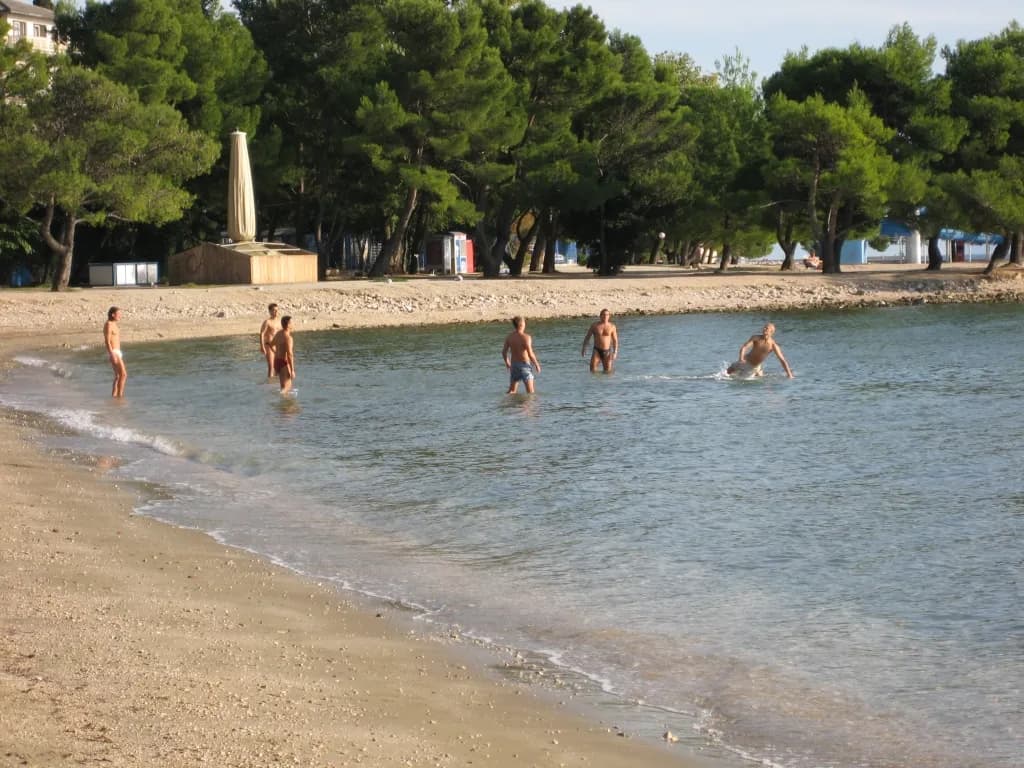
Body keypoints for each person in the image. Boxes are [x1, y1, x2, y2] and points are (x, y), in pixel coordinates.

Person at [727, 322, 794, 379]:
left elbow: (782, 360)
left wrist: (789, 374)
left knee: (742, 380)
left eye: (766, 328)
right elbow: (744, 347)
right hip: (745, 361)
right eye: (764, 327)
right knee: (727, 373)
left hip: (755, 366)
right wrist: (741, 358)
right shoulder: (756, 338)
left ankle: (757, 372)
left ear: (771, 332)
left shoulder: (773, 345)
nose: (764, 329)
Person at [502, 316, 541, 394]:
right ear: (521, 324)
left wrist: (507, 363)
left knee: (512, 391)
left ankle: (508, 403)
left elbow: (504, 352)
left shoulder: (509, 337)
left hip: (514, 365)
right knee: (530, 392)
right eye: (524, 322)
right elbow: (530, 354)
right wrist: (537, 364)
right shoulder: (526, 337)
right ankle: (528, 406)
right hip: (524, 365)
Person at [581, 308, 619, 373]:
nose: (605, 316)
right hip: (597, 351)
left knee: (608, 372)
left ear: (609, 316)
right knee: (592, 371)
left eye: (607, 315)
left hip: (607, 352)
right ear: (600, 316)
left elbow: (615, 341)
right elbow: (587, 337)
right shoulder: (595, 325)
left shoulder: (612, 326)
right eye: (603, 315)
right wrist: (584, 348)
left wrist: (615, 352)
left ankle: (606, 383)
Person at [103, 306, 127, 398]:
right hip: (114, 352)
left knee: (118, 376)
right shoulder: (109, 324)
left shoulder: (114, 324)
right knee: (123, 374)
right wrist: (111, 353)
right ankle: (120, 396)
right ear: (113, 315)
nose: (120, 316)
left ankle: (114, 397)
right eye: (118, 314)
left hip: (117, 352)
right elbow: (107, 341)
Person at [272, 315, 295, 393]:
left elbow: (271, 344)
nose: (293, 324)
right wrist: (292, 370)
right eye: (291, 323)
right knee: (287, 388)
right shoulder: (288, 338)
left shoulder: (278, 333)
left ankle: (284, 404)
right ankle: (280, 401)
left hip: (276, 361)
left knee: (283, 386)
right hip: (283, 363)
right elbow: (290, 354)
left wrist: (276, 352)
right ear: (288, 325)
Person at [259, 303, 282, 379]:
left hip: (278, 346)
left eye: (277, 310)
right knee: (271, 366)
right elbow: (262, 333)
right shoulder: (267, 322)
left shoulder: (279, 322)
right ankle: (269, 383)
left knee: (278, 366)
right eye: (274, 311)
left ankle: (276, 382)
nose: (276, 312)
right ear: (270, 311)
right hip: (269, 345)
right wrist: (262, 346)